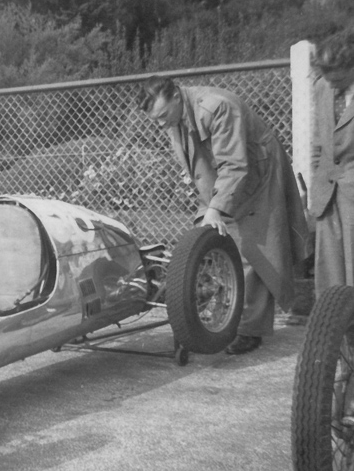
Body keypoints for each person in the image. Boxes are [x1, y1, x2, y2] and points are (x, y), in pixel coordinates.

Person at [138, 76, 308, 355]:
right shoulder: (174, 115)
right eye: (155, 119)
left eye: (163, 116)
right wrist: (211, 206)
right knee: (216, 236)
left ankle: (250, 331)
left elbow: (234, 165)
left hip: (257, 173)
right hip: (228, 177)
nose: (160, 124)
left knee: (255, 248)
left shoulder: (217, 107)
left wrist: (217, 208)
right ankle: (220, 318)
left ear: (177, 96)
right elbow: (200, 165)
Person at [308, 28, 354, 294]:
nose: (332, 84)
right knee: (330, 279)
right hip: (327, 195)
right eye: (327, 78)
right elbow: (319, 141)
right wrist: (316, 182)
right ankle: (332, 333)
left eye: (338, 79)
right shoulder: (322, 87)